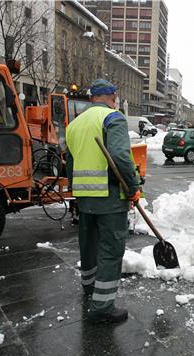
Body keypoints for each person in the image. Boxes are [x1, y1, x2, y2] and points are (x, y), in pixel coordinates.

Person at [65, 79, 140, 324]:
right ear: (110, 97)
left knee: (88, 244)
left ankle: (89, 287)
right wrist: (132, 186)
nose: (116, 101)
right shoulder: (112, 118)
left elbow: (71, 163)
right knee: (110, 250)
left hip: (85, 197)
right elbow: (120, 156)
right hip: (109, 197)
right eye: (115, 96)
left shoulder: (74, 125)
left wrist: (76, 191)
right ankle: (103, 306)